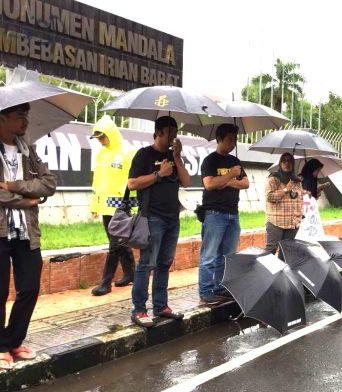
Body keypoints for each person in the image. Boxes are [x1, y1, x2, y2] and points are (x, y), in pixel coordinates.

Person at [0, 103, 57, 369]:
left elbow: (48, 184)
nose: (25, 121)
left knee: (30, 287)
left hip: (26, 232)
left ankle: (12, 340)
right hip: (1, 231)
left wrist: (14, 185)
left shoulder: (28, 151)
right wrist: (27, 201)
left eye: (27, 116)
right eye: (19, 116)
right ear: (2, 118)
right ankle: (1, 347)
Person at [127, 116, 191, 328]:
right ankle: (139, 309)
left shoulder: (173, 156)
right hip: (152, 217)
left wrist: (177, 158)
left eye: (176, 132)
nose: (174, 136)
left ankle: (161, 305)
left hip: (173, 217)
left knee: (164, 263)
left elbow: (186, 181)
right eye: (170, 132)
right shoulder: (144, 154)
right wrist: (159, 174)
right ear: (158, 132)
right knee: (147, 263)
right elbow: (132, 183)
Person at [199, 124, 249, 305]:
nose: (233, 143)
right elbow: (209, 184)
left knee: (227, 255)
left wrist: (225, 181)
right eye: (230, 139)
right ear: (219, 139)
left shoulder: (235, 161)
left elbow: (245, 183)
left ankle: (220, 286)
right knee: (209, 255)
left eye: (235, 140)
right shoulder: (210, 161)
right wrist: (230, 176)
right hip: (214, 213)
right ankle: (206, 291)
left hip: (232, 213)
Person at [89, 115, 135, 296]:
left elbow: (134, 180)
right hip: (105, 207)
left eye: (102, 137)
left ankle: (105, 283)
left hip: (122, 206)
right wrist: (94, 205)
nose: (100, 141)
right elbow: (97, 181)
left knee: (115, 245)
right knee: (118, 242)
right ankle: (131, 274)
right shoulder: (101, 154)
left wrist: (131, 205)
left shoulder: (128, 152)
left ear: (111, 133)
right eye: (98, 138)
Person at [265, 153, 304, 257]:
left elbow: (299, 199)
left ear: (293, 164)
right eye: (284, 161)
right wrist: (286, 189)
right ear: (280, 163)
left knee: (286, 253)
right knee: (270, 251)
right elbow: (269, 197)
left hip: (292, 223)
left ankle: (282, 268)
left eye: (290, 161)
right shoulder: (273, 179)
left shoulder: (297, 181)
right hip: (276, 222)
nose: (287, 164)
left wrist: (300, 215)